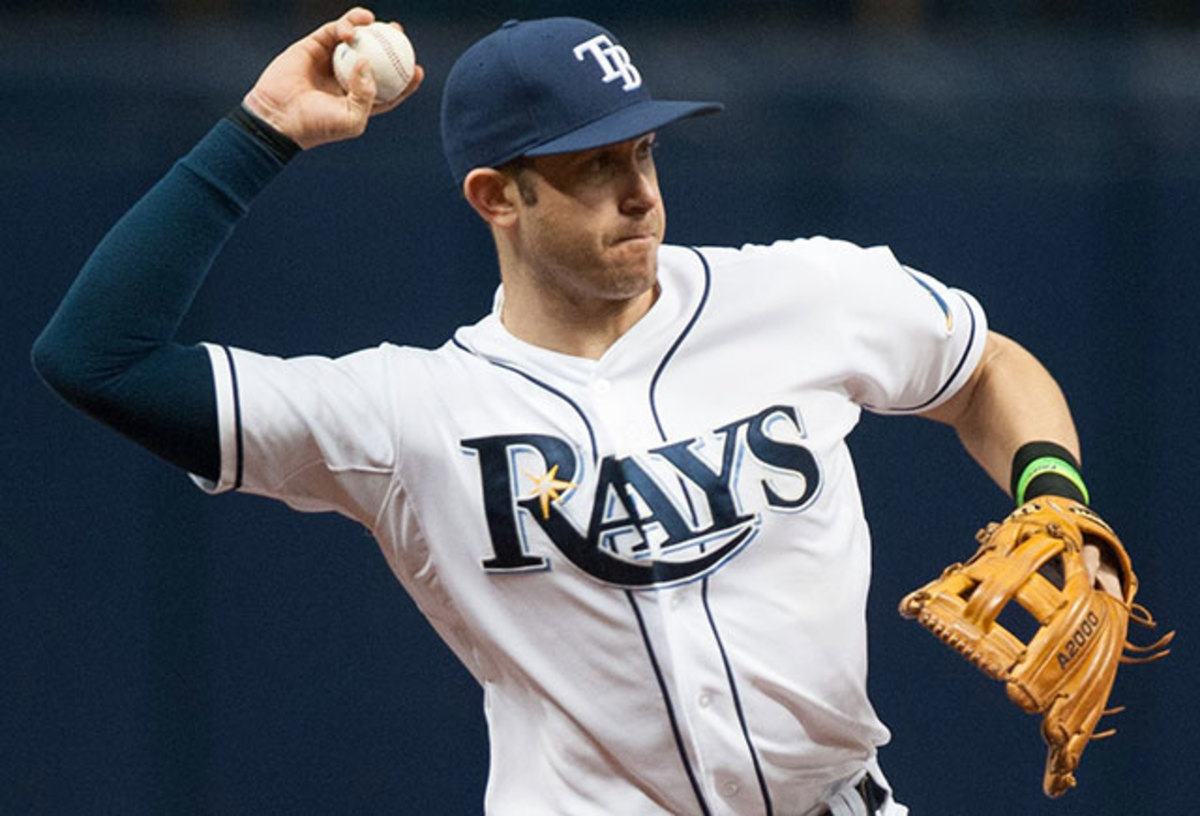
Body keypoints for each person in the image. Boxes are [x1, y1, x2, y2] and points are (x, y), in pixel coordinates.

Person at [32, 7, 1115, 815]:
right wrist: (261, 130)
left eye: (643, 150)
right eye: (595, 167)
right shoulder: (407, 415)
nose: (640, 190)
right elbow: (98, 358)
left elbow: (985, 368)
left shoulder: (802, 294)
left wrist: (1051, 487)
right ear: (498, 197)